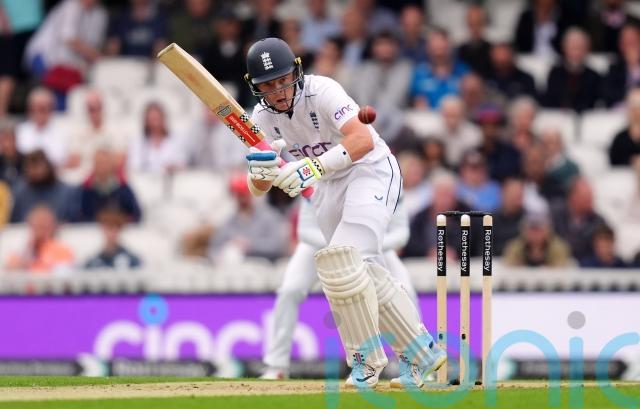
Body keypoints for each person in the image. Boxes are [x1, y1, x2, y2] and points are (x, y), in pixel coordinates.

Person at [243, 37, 445, 389]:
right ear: (255, 87)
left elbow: (362, 139)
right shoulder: (260, 117)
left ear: (296, 72)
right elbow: (260, 186)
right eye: (268, 85)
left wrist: (311, 168)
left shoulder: (323, 91)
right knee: (351, 269)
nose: (278, 91)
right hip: (328, 186)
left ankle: (366, 360)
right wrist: (259, 175)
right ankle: (420, 352)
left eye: (282, 80)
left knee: (346, 260)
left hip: (370, 170)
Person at [261, 199, 419, 379]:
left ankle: (416, 364)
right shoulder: (316, 183)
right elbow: (305, 231)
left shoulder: (385, 184)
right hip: (318, 246)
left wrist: (366, 245)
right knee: (290, 290)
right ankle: (276, 365)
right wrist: (343, 245)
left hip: (373, 247)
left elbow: (401, 233)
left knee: (405, 290)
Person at [208, 174, 288, 263]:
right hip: (234, 266)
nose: (242, 200)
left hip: (263, 266)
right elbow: (214, 248)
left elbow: (277, 246)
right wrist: (222, 254)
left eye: (244, 195)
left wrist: (250, 245)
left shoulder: (270, 217)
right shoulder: (229, 221)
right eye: (238, 195)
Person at [542, 28, 602, 112]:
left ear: (587, 49)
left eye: (580, 47)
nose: (577, 52)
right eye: (573, 47)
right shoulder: (555, 74)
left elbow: (595, 103)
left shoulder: (594, 76)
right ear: (564, 48)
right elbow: (549, 101)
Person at [10, 150, 76, 223]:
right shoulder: (19, 192)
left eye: (38, 166)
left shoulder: (66, 192)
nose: (35, 171)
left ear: (48, 166)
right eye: (31, 167)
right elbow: (14, 222)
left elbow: (73, 221)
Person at [551, 177, 607, 263]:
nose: (591, 200)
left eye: (591, 196)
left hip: (586, 267)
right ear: (573, 197)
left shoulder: (598, 222)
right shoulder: (555, 215)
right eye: (586, 197)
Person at [4, 205, 74, 274]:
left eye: (44, 226)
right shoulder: (23, 249)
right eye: (37, 225)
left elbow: (63, 272)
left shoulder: (61, 249)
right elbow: (10, 269)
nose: (41, 230)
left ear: (52, 226)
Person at [410, 28, 469, 109]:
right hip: (428, 115)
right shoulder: (419, 73)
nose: (439, 47)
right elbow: (416, 100)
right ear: (428, 48)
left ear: (450, 47)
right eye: (435, 46)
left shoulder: (463, 71)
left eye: (442, 45)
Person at [78, 148, 141, 222]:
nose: (102, 167)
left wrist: (120, 219)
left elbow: (136, 215)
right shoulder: (85, 190)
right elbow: (79, 216)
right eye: (98, 163)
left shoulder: (123, 188)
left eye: (104, 163)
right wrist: (100, 219)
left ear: (112, 164)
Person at [127, 102, 186, 174]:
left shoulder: (175, 140)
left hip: (171, 179)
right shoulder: (138, 142)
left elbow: (182, 163)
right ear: (146, 121)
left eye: (157, 118)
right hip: (145, 179)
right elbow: (134, 166)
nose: (155, 123)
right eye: (152, 119)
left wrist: (174, 167)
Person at [16, 87, 68, 167]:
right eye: (35, 108)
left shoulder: (63, 130)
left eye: (43, 108)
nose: (39, 113)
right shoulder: (20, 130)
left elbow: (62, 159)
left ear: (52, 108)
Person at [503, 211, 572, 267]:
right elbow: (509, 265)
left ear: (547, 231)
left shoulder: (559, 248)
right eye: (532, 230)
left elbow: (561, 267)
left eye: (539, 230)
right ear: (524, 231)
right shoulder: (514, 248)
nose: (535, 235)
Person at [435, 95, 481, 167]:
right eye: (448, 115)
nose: (452, 120)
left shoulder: (474, 133)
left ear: (463, 114)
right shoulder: (433, 132)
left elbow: (473, 158)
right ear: (441, 114)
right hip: (441, 167)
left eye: (455, 115)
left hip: (465, 168)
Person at [602, 24, 640, 107]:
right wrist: (629, 95)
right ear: (621, 45)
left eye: (633, 41)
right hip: (619, 110)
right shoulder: (614, 68)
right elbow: (607, 94)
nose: (630, 46)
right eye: (627, 42)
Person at [493, 178, 527, 255]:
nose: (517, 199)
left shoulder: (528, 219)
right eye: (512, 194)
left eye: (519, 195)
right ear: (502, 194)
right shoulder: (489, 220)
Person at [457, 4, 492, 78]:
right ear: (467, 24)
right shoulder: (460, 51)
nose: (475, 28)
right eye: (472, 24)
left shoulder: (491, 51)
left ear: (484, 24)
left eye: (478, 23)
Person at [609, 88, 640, 166]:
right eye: (633, 106)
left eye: (639, 106)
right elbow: (614, 161)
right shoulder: (620, 138)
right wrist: (633, 161)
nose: (636, 111)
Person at [0, 119, 24, 188]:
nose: (7, 144)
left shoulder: (24, 159)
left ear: (15, 140)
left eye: (10, 139)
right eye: (4, 140)